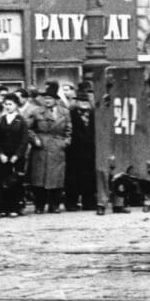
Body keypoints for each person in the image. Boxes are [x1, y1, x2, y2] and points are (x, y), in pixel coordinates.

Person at [28, 81, 72, 214]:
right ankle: (39, 205)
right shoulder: (36, 112)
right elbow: (29, 129)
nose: (47, 101)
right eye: (45, 98)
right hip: (40, 147)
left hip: (57, 147)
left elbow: (69, 131)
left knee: (56, 178)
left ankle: (55, 205)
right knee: (39, 178)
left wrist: (65, 142)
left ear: (55, 100)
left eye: (50, 98)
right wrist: (34, 139)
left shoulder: (64, 112)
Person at [0, 93, 29, 218]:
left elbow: (24, 140)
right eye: (6, 104)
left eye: (10, 104)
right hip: (3, 156)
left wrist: (17, 155)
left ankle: (15, 207)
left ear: (16, 105)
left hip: (16, 156)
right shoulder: (0, 120)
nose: (8, 107)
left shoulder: (21, 121)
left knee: (15, 182)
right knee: (2, 181)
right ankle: (2, 208)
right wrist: (0, 153)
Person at [64, 82, 97, 211]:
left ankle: (89, 202)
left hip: (90, 151)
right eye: (80, 101)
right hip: (74, 151)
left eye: (86, 101)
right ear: (76, 102)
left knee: (89, 177)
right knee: (72, 179)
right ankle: (71, 203)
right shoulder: (70, 114)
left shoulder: (94, 115)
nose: (84, 103)